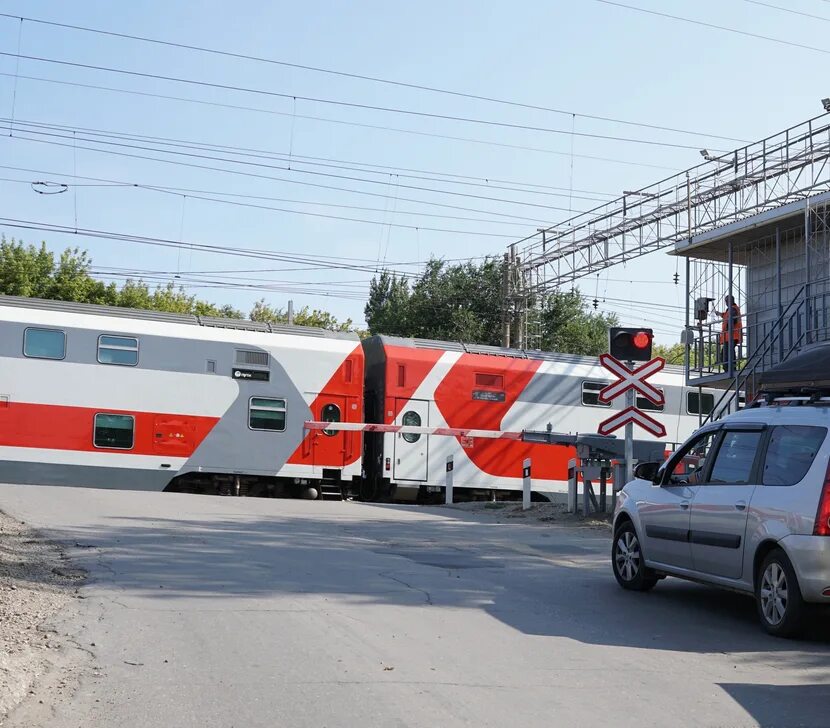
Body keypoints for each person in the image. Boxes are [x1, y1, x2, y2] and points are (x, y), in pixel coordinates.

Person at [715, 295, 742, 372]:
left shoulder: (733, 309)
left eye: (727, 301)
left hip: (732, 335)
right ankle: (729, 368)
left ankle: (729, 368)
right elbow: (725, 316)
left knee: (727, 353)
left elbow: (732, 319)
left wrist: (728, 327)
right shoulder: (731, 309)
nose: (726, 303)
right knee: (727, 352)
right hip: (730, 335)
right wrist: (719, 314)